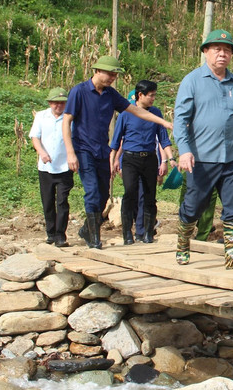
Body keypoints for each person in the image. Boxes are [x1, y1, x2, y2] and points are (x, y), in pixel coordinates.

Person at [63, 56, 173, 250]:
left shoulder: (110, 95)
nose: (113, 77)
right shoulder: (78, 92)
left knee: (104, 194)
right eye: (110, 74)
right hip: (83, 148)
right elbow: (66, 121)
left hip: (102, 149)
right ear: (97, 71)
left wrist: (163, 122)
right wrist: (70, 152)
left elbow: (135, 110)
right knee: (92, 191)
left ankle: (87, 229)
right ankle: (94, 239)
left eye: (115, 75)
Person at [173, 29, 233, 269]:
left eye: (227, 50)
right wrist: (184, 150)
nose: (223, 53)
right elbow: (181, 119)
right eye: (217, 49)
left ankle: (232, 255)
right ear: (206, 52)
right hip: (202, 158)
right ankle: (182, 244)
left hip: (232, 157)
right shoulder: (192, 81)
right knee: (194, 205)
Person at [109, 80, 175, 245]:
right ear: (140, 95)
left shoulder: (156, 113)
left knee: (149, 196)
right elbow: (116, 142)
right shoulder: (126, 114)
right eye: (150, 95)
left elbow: (163, 139)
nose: (153, 98)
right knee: (130, 193)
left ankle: (147, 233)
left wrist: (170, 158)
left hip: (150, 159)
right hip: (131, 159)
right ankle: (127, 234)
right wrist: (113, 161)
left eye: (154, 95)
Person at [29, 87, 73, 247]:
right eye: (55, 103)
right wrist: (42, 152)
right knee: (47, 201)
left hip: (64, 166)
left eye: (62, 103)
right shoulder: (41, 116)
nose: (58, 106)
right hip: (46, 167)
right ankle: (51, 233)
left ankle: (61, 235)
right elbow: (35, 136)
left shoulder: (70, 118)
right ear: (49, 103)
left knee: (62, 201)